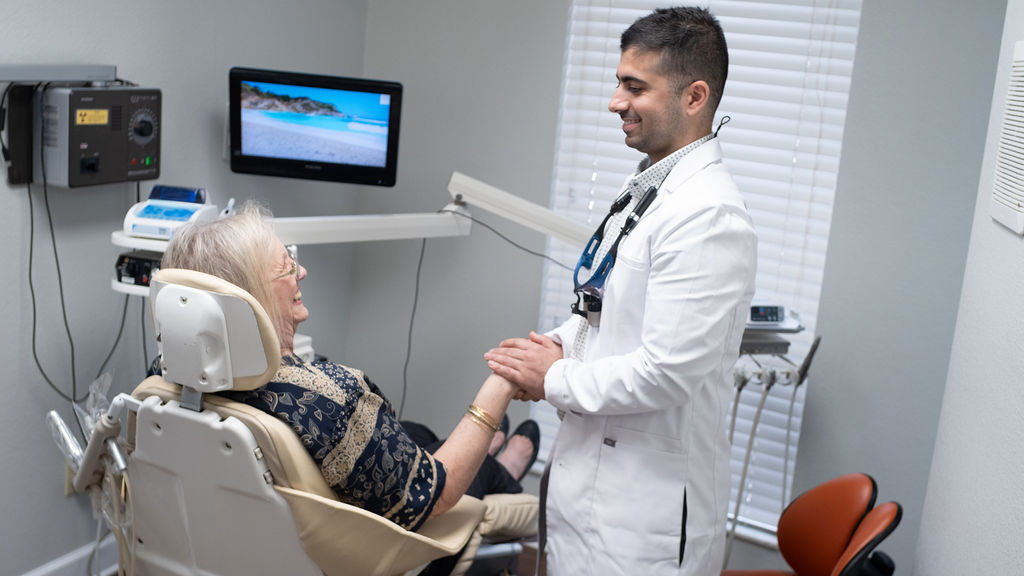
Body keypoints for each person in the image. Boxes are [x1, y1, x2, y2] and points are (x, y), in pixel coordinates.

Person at [484, 7, 756, 575]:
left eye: (635, 87)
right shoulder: (652, 188)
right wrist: (558, 343)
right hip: (590, 491)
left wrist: (551, 378)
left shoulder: (710, 215)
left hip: (643, 520)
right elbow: (605, 303)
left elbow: (668, 370)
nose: (615, 101)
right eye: (617, 83)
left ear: (694, 96)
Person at [160, 201, 539, 573]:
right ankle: (502, 464)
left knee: (418, 432)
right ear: (251, 301)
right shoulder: (330, 401)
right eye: (287, 267)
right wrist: (500, 386)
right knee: (480, 469)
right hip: (373, 547)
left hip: (238, 548)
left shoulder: (164, 383)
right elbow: (437, 494)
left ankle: (477, 449)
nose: (302, 271)